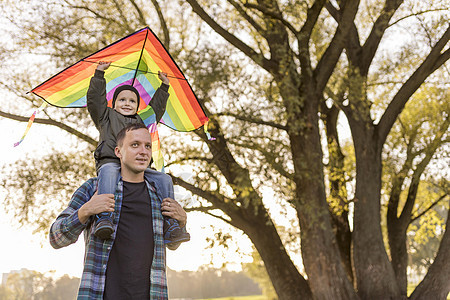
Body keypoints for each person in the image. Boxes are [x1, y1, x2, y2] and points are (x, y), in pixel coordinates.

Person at [49, 123, 187, 299]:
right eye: (135, 145)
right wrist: (85, 211)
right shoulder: (94, 188)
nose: (143, 151)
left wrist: (182, 222)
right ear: (118, 152)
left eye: (147, 146)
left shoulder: (159, 195)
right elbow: (56, 238)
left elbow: (172, 244)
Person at [87, 61, 189, 245]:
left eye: (132, 101)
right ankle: (104, 218)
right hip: (111, 161)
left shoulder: (142, 122)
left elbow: (156, 109)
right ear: (113, 103)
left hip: (136, 168)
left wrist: (164, 86)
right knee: (109, 173)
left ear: (137, 105)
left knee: (164, 179)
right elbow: (95, 100)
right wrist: (99, 75)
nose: (127, 103)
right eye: (122, 100)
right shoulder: (105, 116)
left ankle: (171, 223)